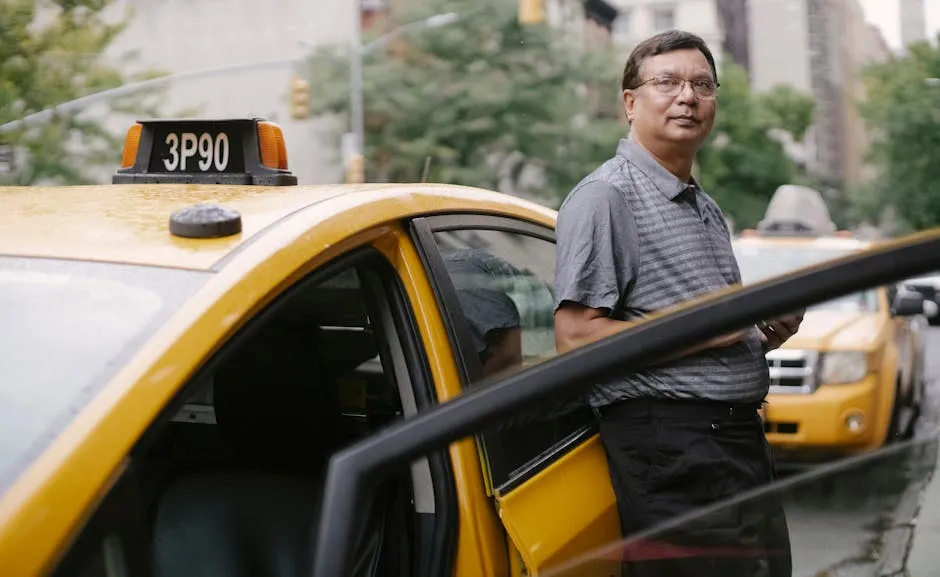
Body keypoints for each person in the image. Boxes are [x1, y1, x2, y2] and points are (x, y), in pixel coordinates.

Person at [553, 30, 803, 577]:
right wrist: (708, 328)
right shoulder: (606, 198)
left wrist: (758, 335)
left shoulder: (705, 206)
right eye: (666, 82)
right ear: (629, 103)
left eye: (702, 84)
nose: (687, 96)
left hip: (734, 442)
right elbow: (574, 339)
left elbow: (702, 332)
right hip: (673, 449)